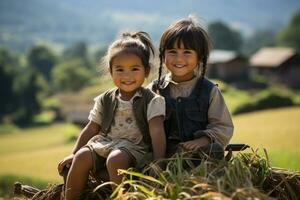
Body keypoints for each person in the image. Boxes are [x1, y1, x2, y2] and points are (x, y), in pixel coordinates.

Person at [58, 31, 166, 200]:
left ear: (146, 71)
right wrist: (74, 152)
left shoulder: (152, 100)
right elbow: (92, 127)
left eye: (134, 69)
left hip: (134, 148)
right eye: (120, 69)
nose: (127, 76)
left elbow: (157, 132)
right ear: (111, 71)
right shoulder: (105, 99)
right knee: (81, 157)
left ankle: (121, 197)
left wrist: (159, 164)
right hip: (105, 143)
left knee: (116, 159)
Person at [149, 16, 234, 160]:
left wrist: (203, 141)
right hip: (163, 156)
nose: (179, 59)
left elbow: (223, 127)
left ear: (200, 57)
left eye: (187, 52)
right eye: (172, 52)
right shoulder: (154, 89)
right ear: (163, 55)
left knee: (214, 150)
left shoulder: (210, 91)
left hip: (198, 155)